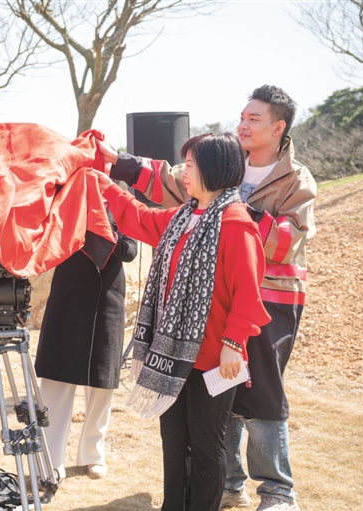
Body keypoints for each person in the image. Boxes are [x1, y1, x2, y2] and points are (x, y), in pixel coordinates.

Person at [101, 85, 316, 511]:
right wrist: (109, 176)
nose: (243, 124)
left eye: (254, 119)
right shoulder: (191, 209)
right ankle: (217, 489)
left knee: (252, 404)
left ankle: (276, 491)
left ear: (279, 127)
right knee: (186, 434)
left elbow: (279, 250)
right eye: (242, 117)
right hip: (184, 342)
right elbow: (151, 205)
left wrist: (234, 341)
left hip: (249, 318)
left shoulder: (262, 201)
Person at [95, 132, 270, 511]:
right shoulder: (182, 217)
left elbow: (247, 293)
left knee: (206, 446)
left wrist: (234, 344)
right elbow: (139, 218)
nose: (183, 172)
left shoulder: (236, 223)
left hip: (215, 358)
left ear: (214, 168)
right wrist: (103, 184)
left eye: (190, 165)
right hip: (172, 355)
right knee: (174, 442)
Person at [35, 211, 137, 481]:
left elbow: (130, 250)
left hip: (107, 298)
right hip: (68, 295)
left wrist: (105, 233)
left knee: (101, 384)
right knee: (57, 380)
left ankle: (93, 455)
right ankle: (50, 460)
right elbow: (48, 239)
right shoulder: (66, 198)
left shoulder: (120, 203)